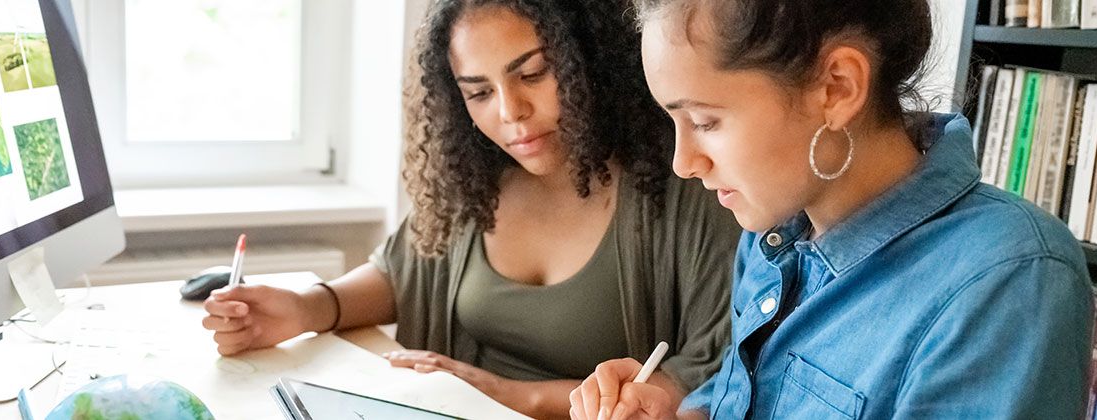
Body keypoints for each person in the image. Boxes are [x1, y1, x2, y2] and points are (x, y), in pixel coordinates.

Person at [200, 0, 741, 418]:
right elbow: (405, 271)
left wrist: (505, 394)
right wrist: (305, 308)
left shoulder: (690, 190)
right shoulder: (479, 180)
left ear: (591, 60)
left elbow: (704, 377)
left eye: (533, 74)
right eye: (479, 92)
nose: (511, 112)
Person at [568, 0, 1094, 419]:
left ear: (837, 88)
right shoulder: (771, 236)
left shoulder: (1009, 279)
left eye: (705, 121)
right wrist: (676, 411)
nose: (683, 163)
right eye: (674, 122)